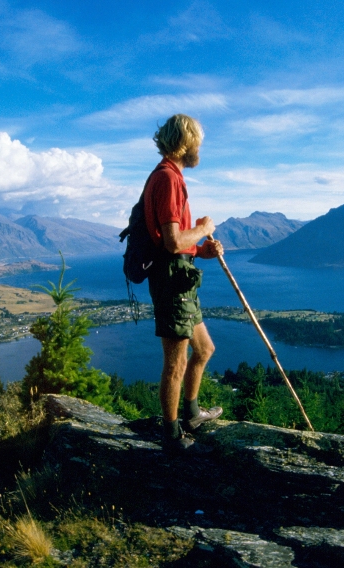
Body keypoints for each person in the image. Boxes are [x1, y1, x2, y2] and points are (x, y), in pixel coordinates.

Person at [144, 114, 224, 454]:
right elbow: (173, 242)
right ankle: (172, 435)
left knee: (204, 349)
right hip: (172, 280)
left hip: (180, 278)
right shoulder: (168, 179)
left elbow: (177, 243)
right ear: (184, 143)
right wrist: (203, 229)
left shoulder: (170, 177)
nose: (199, 151)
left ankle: (191, 415)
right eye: (198, 144)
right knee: (175, 362)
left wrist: (201, 250)